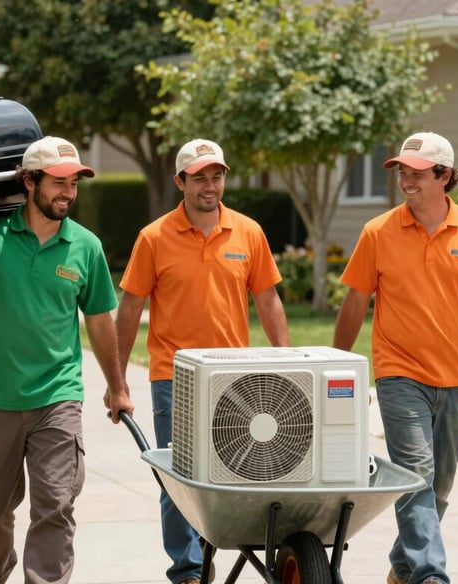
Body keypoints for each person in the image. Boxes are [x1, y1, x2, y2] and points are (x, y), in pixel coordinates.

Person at [0, 135, 134, 584]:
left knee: (56, 505)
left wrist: (118, 386)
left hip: (57, 397)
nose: (68, 192)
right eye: (58, 182)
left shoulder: (84, 246)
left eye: (75, 183)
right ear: (30, 182)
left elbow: (98, 320)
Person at [332, 131, 458, 584]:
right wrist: (338, 363)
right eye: (402, 171)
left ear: (444, 176)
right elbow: (355, 302)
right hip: (400, 374)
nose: (406, 181)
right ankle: (428, 574)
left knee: (438, 484)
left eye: (416, 173)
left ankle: (402, 567)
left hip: (457, 375)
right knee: (415, 472)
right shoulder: (377, 232)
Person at [115, 138, 291, 584]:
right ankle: (189, 570)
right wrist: (117, 380)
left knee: (237, 474)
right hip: (173, 378)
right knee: (177, 479)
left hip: (235, 379)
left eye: (216, 176)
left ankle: (216, 547)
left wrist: (289, 362)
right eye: (199, 178)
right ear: (181, 182)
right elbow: (130, 309)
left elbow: (268, 301)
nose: (210, 185)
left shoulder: (248, 232)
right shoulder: (153, 238)